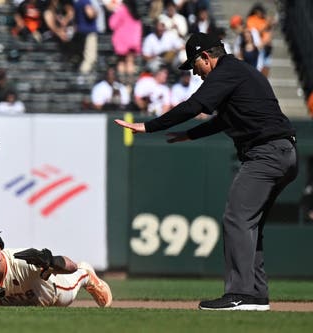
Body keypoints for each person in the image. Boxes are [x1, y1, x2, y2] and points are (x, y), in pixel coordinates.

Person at [114, 32, 298, 311]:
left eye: (195, 65)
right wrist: (191, 134)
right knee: (250, 224)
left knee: (236, 218)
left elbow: (194, 106)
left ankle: (240, 294)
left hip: (266, 154)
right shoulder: (240, 72)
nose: (196, 73)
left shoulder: (226, 71)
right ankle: (256, 295)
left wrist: (149, 126)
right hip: (283, 153)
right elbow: (224, 119)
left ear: (206, 57)